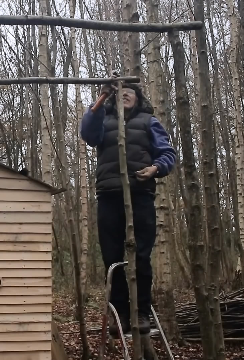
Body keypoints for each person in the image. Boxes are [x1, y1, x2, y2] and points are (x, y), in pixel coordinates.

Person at [79, 80, 176, 335]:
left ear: (138, 98)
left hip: (140, 193)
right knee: (112, 258)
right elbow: (88, 135)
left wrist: (155, 169)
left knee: (141, 256)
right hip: (109, 194)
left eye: (129, 93)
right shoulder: (103, 119)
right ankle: (118, 315)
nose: (124, 96)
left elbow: (167, 154)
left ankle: (142, 313)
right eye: (120, 93)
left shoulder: (148, 121)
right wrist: (101, 99)